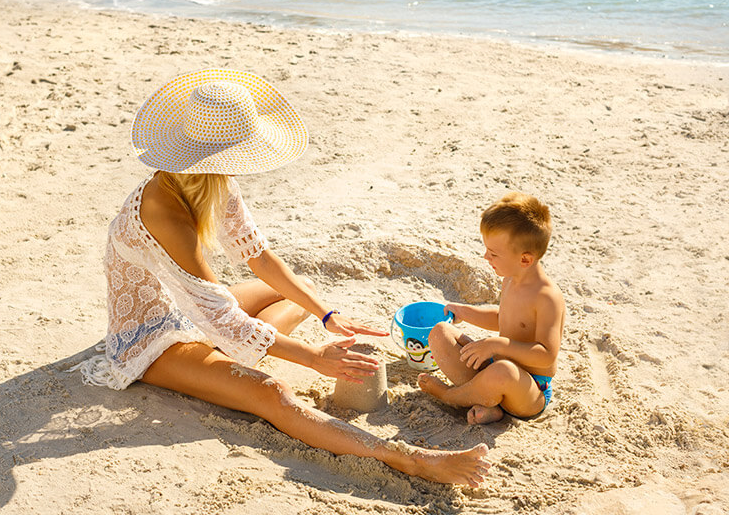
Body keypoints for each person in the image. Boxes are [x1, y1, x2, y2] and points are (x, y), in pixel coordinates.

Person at [72, 69, 490, 485]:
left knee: (299, 292)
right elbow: (219, 318)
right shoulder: (166, 212)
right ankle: (411, 459)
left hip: (187, 308)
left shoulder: (208, 180)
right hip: (150, 337)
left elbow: (261, 259)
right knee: (272, 393)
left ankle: (231, 357)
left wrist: (327, 315)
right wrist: (312, 357)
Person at [418, 192, 565, 425]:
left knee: (503, 372)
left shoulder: (547, 297)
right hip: (497, 368)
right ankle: (489, 405)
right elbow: (504, 318)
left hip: (528, 389)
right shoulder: (510, 277)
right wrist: (466, 312)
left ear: (525, 260)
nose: (486, 257)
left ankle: (450, 396)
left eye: (494, 253)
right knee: (440, 333)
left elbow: (547, 354)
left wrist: (497, 344)